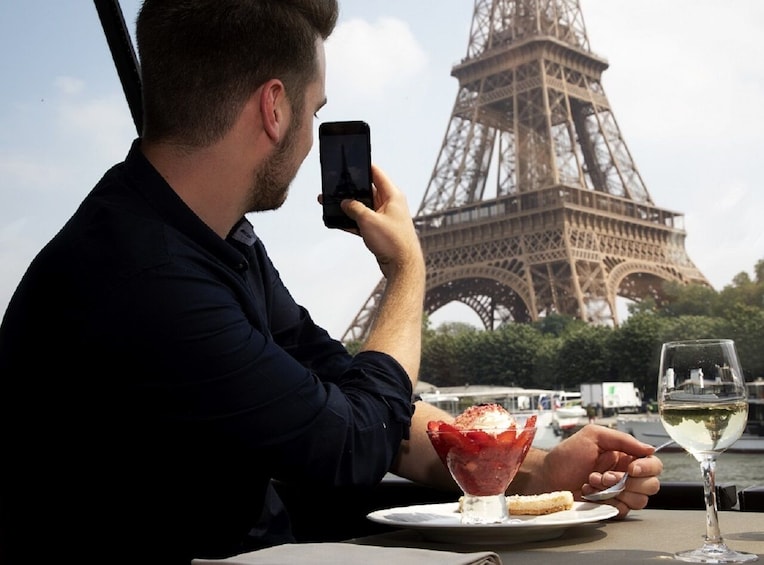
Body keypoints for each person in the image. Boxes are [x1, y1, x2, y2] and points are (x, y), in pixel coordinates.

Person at [0, 1, 662, 563]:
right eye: (317, 111)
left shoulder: (210, 240)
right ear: (275, 109)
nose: (314, 132)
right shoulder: (147, 279)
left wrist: (544, 468)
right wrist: (409, 272)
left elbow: (353, 395)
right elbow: (350, 441)